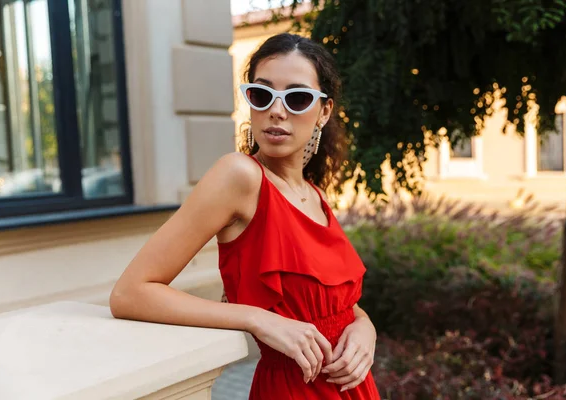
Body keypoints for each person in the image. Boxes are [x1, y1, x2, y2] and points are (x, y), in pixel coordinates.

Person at [109, 33, 380, 399]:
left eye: (298, 98)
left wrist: (366, 328)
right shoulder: (240, 177)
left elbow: (338, 305)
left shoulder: (314, 195)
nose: (277, 111)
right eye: (262, 94)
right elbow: (130, 293)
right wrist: (257, 318)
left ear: (324, 111)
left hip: (356, 389)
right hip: (292, 390)